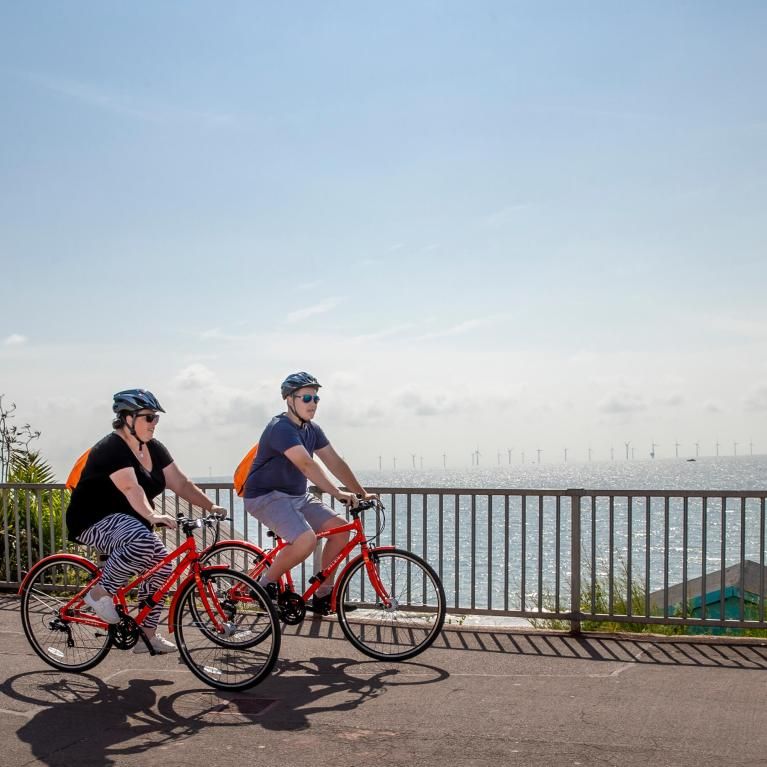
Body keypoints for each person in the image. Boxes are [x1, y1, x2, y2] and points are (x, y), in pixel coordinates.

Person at [65, 388, 227, 653]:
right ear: (127, 418)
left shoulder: (153, 448)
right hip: (92, 520)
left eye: (156, 418)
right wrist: (152, 515)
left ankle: (146, 635)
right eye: (148, 417)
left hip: (130, 524)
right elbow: (131, 488)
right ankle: (99, 593)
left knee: (163, 569)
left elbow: (181, 483)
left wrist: (211, 506)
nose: (154, 424)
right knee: (140, 540)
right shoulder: (111, 448)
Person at [243, 371, 375, 614]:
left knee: (341, 530)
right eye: (306, 398)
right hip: (265, 497)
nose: (312, 404)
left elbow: (335, 461)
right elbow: (306, 464)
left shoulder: (312, 430)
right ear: (289, 400)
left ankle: (324, 596)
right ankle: (263, 585)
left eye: (316, 399)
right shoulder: (280, 428)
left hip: (297, 496)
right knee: (306, 540)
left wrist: (361, 493)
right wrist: (338, 493)